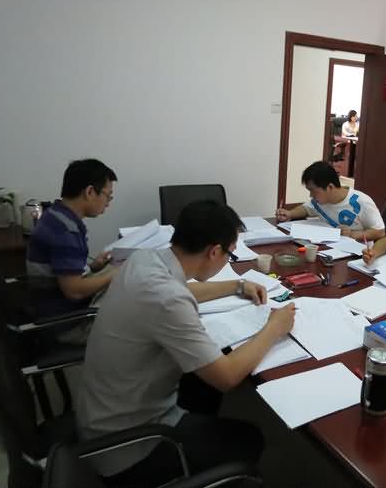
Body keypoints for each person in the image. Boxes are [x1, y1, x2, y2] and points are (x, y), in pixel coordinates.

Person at [77, 200, 296, 486]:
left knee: (202, 385)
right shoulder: (168, 299)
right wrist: (274, 328)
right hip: (127, 448)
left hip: (106, 410)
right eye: (229, 254)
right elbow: (227, 377)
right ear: (214, 251)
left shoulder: (145, 260)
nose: (226, 260)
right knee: (249, 437)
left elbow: (182, 290)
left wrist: (237, 285)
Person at [26, 159, 118, 315]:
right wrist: (114, 274)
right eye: (108, 196)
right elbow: (74, 291)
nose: (108, 203)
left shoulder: (54, 214)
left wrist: (93, 267)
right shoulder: (65, 230)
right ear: (90, 192)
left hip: (51, 302)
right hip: (65, 318)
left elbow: (62, 271)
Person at [275, 161, 385, 241]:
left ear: (330, 187)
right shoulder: (321, 201)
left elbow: (380, 232)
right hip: (329, 247)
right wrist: (290, 213)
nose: (311, 195)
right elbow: (306, 209)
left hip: (356, 253)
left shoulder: (361, 201)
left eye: (313, 191)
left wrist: (352, 234)